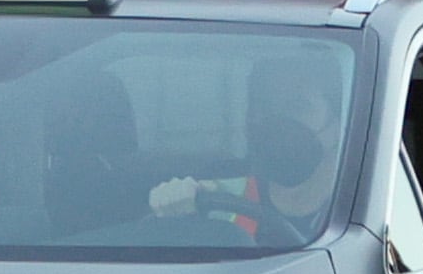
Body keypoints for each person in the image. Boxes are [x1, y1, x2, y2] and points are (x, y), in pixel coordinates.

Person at [145, 52, 346, 245]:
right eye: (265, 107)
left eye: (298, 105)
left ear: (340, 122)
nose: (276, 120)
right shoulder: (218, 191)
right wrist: (173, 203)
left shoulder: (369, 208)